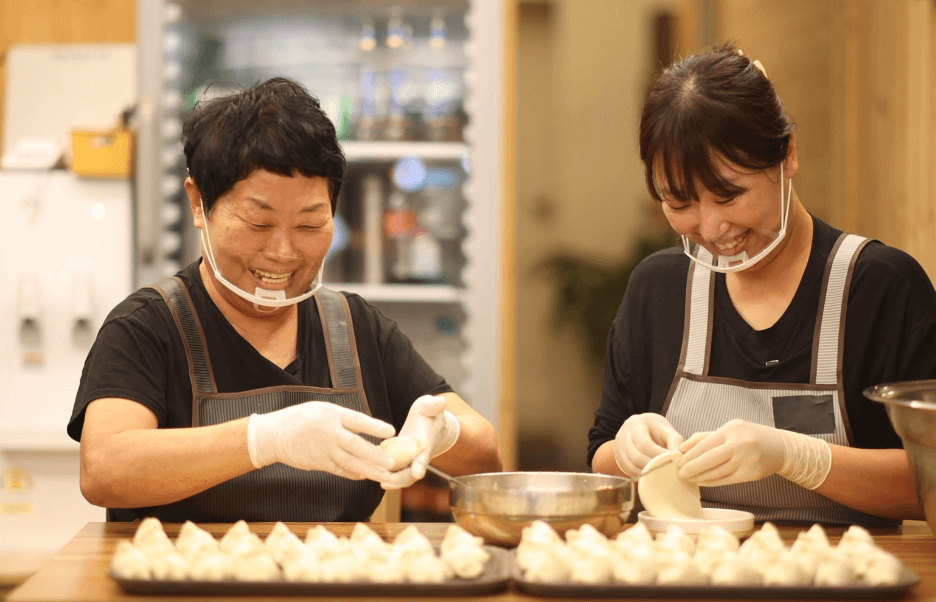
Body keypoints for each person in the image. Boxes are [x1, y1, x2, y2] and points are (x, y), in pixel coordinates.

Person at [69, 77, 501, 522]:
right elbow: (104, 469)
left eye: (309, 226)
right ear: (199, 203)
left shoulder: (355, 329)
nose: (283, 252)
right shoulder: (147, 326)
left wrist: (443, 435)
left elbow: (486, 456)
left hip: (330, 567)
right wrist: (264, 440)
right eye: (258, 223)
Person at [589, 44, 936, 525]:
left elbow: (928, 484)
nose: (711, 229)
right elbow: (601, 459)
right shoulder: (657, 289)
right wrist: (626, 450)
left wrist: (800, 458)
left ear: (787, 155)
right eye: (680, 203)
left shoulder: (880, 287)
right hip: (684, 566)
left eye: (729, 195)